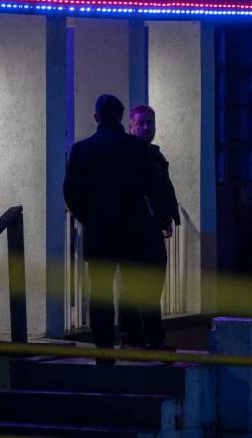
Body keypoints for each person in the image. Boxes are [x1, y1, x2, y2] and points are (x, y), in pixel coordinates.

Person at [63, 94, 168, 364]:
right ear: (122, 117)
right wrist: (157, 220)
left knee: (100, 294)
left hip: (99, 232)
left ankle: (104, 351)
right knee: (137, 288)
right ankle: (147, 340)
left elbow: (71, 192)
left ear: (96, 116)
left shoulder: (81, 150)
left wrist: (89, 218)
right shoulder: (137, 148)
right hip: (134, 231)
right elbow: (152, 187)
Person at [118, 104, 181, 348]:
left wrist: (168, 217)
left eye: (149, 123)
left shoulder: (154, 154)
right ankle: (137, 337)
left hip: (151, 228)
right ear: (131, 126)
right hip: (134, 230)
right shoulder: (130, 155)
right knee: (134, 285)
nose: (146, 128)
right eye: (141, 123)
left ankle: (146, 337)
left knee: (151, 283)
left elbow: (164, 188)